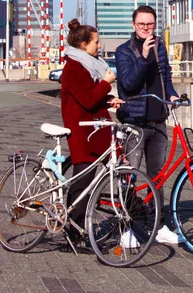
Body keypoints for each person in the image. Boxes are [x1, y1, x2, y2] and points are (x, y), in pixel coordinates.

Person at [115, 5, 182, 245]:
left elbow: (165, 78)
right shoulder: (123, 51)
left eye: (150, 24)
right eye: (142, 24)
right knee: (130, 176)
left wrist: (172, 95)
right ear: (133, 25)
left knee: (158, 176)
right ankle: (126, 228)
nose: (146, 28)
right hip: (134, 122)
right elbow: (129, 84)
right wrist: (143, 57)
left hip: (158, 120)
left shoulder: (160, 47)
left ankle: (159, 224)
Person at [60, 19, 123, 250]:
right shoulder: (74, 67)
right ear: (84, 45)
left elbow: (90, 96)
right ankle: (73, 233)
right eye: (96, 42)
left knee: (94, 177)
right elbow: (87, 99)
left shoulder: (88, 64)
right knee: (82, 183)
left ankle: (130, 212)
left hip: (94, 128)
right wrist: (106, 84)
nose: (99, 46)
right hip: (83, 132)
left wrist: (109, 100)